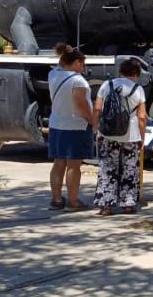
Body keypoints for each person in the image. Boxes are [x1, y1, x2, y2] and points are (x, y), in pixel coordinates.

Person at [93, 59, 147, 216]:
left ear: (121, 71)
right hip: (130, 135)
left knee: (107, 168)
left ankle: (106, 206)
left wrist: (96, 130)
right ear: (136, 74)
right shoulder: (138, 89)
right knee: (130, 169)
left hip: (108, 134)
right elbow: (142, 117)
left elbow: (97, 109)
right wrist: (142, 137)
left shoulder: (106, 85)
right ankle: (128, 204)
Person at [48, 43, 95, 212]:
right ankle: (73, 201)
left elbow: (60, 64)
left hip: (56, 124)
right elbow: (81, 104)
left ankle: (56, 199)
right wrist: (92, 121)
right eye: (82, 63)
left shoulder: (53, 75)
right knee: (74, 165)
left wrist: (66, 52)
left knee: (58, 163)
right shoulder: (78, 81)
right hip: (75, 126)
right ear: (75, 63)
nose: (83, 67)